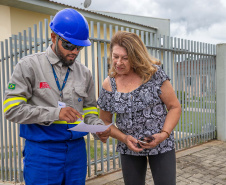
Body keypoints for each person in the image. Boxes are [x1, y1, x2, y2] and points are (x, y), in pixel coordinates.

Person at [3, 8, 109, 185]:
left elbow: (90, 110)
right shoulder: (29, 66)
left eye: (79, 47)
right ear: (53, 37)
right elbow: (11, 109)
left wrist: (98, 128)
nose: (74, 51)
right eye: (69, 45)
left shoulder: (85, 73)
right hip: (42, 151)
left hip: (76, 152)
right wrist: (55, 113)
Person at [97, 31, 181, 185]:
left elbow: (174, 107)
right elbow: (105, 121)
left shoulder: (154, 75)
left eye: (125, 58)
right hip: (129, 148)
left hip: (161, 145)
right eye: (115, 57)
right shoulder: (109, 84)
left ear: (136, 57)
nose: (118, 63)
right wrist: (124, 138)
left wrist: (163, 134)